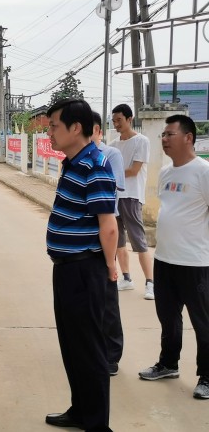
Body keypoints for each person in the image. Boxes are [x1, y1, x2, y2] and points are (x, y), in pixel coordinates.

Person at [45, 99, 117, 431]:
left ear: (76, 128)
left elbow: (109, 224)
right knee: (72, 346)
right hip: (67, 268)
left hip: (85, 269)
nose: (50, 132)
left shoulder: (95, 165)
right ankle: (80, 410)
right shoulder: (73, 162)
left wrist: (110, 267)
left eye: (54, 126)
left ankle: (98, 424)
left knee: (89, 349)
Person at [138, 114, 209, 400]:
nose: (164, 139)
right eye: (163, 135)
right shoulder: (167, 173)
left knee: (203, 322)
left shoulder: (203, 171)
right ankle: (168, 363)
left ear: (188, 138)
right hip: (165, 259)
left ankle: (206, 376)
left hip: (196, 263)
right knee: (168, 317)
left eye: (169, 134)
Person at [109, 104, 154, 300]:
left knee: (139, 240)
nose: (116, 124)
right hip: (115, 197)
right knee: (118, 240)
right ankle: (126, 278)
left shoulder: (141, 141)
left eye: (119, 120)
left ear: (129, 119)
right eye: (114, 121)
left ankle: (150, 282)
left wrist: (113, 174)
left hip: (132, 196)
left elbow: (134, 170)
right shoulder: (113, 145)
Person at [92, 111, 125, 376]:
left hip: (102, 232)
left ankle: (112, 355)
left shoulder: (108, 156)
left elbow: (111, 198)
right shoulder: (73, 160)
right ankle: (94, 349)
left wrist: (110, 258)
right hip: (84, 241)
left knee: (107, 299)